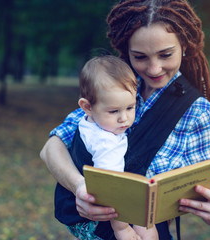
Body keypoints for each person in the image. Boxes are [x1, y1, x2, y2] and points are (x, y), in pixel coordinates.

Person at [40, 0, 210, 239]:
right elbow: (51, 148)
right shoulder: (115, 85)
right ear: (126, 50)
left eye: (166, 54)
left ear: (184, 46)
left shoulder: (199, 113)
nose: (153, 68)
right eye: (140, 56)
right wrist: (79, 187)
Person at [54, 55, 158, 239]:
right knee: (149, 232)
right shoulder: (106, 144)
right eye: (114, 111)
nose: (124, 118)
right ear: (87, 106)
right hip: (93, 221)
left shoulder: (88, 121)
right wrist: (123, 229)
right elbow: (112, 191)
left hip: (70, 209)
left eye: (130, 107)